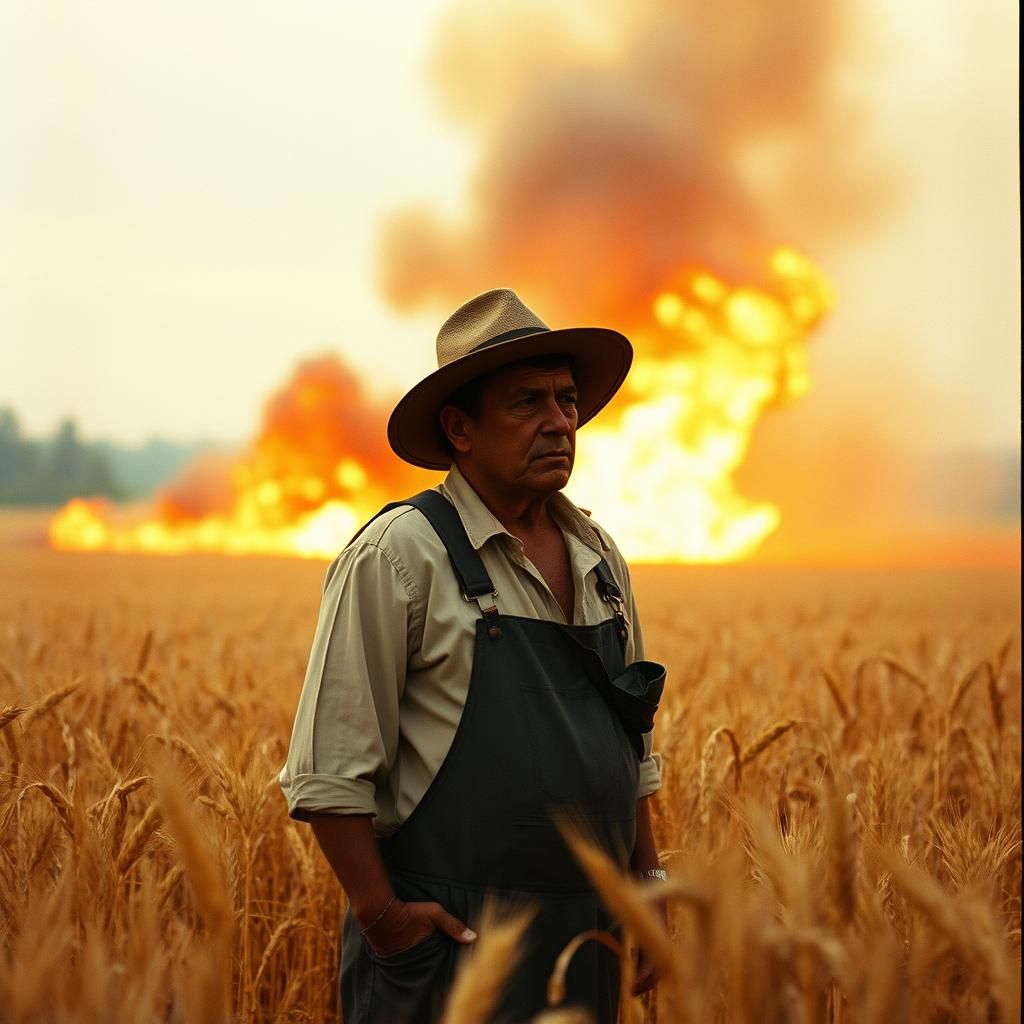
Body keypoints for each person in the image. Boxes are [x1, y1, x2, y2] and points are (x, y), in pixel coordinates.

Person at [279, 288, 666, 1024]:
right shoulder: (399, 557)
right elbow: (327, 773)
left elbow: (631, 747)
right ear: (459, 428)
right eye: (528, 403)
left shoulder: (602, 559)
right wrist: (386, 921)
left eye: (567, 400)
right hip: (452, 945)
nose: (560, 422)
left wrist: (646, 880)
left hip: (588, 942)